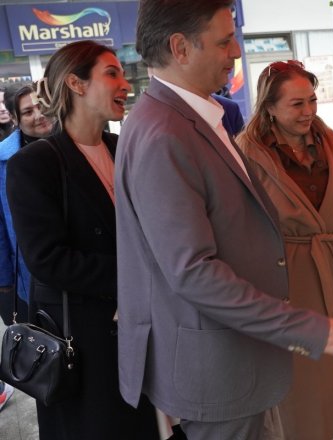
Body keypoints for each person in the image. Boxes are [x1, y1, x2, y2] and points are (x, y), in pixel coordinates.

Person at [116, 2, 333, 439]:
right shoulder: (164, 134)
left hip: (238, 354)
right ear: (180, 47)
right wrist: (302, 325)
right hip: (217, 367)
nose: (236, 51)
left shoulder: (192, 118)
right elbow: (193, 271)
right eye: (223, 40)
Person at [5, 40, 159, 440]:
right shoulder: (34, 164)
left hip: (142, 331)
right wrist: (137, 279)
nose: (125, 84)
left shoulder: (124, 148)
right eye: (112, 73)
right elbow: (48, 259)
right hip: (83, 342)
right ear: (75, 83)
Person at [236, 60, 333, 439]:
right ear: (269, 107)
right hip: (290, 281)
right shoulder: (247, 155)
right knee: (307, 387)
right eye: (296, 104)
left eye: (312, 100)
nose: (308, 112)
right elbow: (242, 226)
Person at [0, 84, 55, 326]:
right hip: (29, 274)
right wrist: (4, 281)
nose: (39, 115)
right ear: (14, 118)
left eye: (41, 107)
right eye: (28, 112)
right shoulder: (4, 159)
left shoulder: (76, 142)